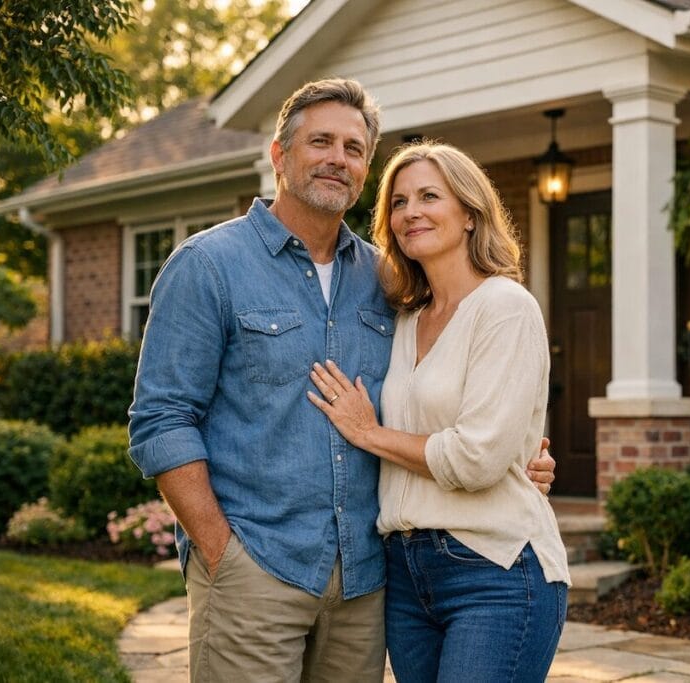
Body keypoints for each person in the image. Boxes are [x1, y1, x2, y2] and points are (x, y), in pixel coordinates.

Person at [127, 78, 555, 682]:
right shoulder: (208, 265)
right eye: (321, 142)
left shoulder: (387, 282)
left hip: (365, 585)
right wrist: (220, 550)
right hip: (257, 570)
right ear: (279, 155)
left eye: (354, 148)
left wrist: (519, 455)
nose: (338, 158)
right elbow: (162, 420)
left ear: (364, 170)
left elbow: (441, 400)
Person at [307, 141, 570, 683]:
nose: (411, 212)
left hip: (494, 568)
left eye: (430, 196)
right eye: (399, 202)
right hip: (404, 575)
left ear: (470, 214)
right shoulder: (404, 320)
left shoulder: (505, 307)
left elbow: (476, 459)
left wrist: (370, 433)